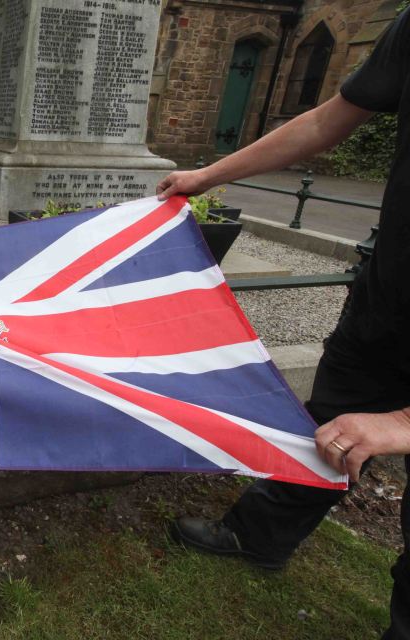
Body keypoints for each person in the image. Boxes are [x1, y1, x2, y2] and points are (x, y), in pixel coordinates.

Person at [156, 8, 410, 637]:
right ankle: (259, 537)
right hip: (387, 304)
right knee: (325, 428)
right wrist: (207, 176)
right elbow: (328, 119)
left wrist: (401, 425)